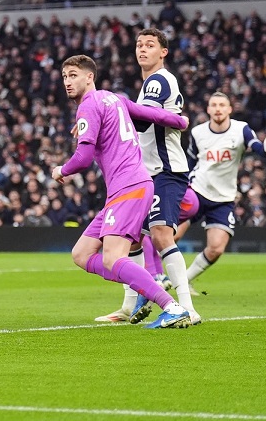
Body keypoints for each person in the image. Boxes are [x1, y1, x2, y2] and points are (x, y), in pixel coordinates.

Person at [52, 55, 192, 329]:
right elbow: (152, 114)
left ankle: (171, 305)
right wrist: (180, 122)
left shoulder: (88, 105)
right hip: (125, 189)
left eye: (73, 75)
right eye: (65, 77)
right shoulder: (114, 99)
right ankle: (144, 284)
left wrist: (61, 170)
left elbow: (82, 157)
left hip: (129, 187)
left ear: (89, 77)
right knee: (81, 253)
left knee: (114, 258)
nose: (67, 82)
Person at [101, 28, 198, 324]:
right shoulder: (149, 84)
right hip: (147, 172)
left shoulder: (158, 81)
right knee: (132, 240)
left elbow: (143, 122)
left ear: (163, 52)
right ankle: (130, 306)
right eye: (139, 45)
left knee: (160, 235)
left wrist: (113, 112)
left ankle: (187, 308)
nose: (142, 49)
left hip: (164, 171)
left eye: (150, 45)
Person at [176, 92, 266, 288]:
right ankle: (152, 276)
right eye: (214, 105)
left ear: (230, 109)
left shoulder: (241, 130)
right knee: (171, 236)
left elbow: (257, 147)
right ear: (208, 109)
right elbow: (190, 162)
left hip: (223, 198)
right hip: (197, 190)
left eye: (222, 105)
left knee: (216, 249)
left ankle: (182, 281)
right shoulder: (198, 132)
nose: (218, 108)